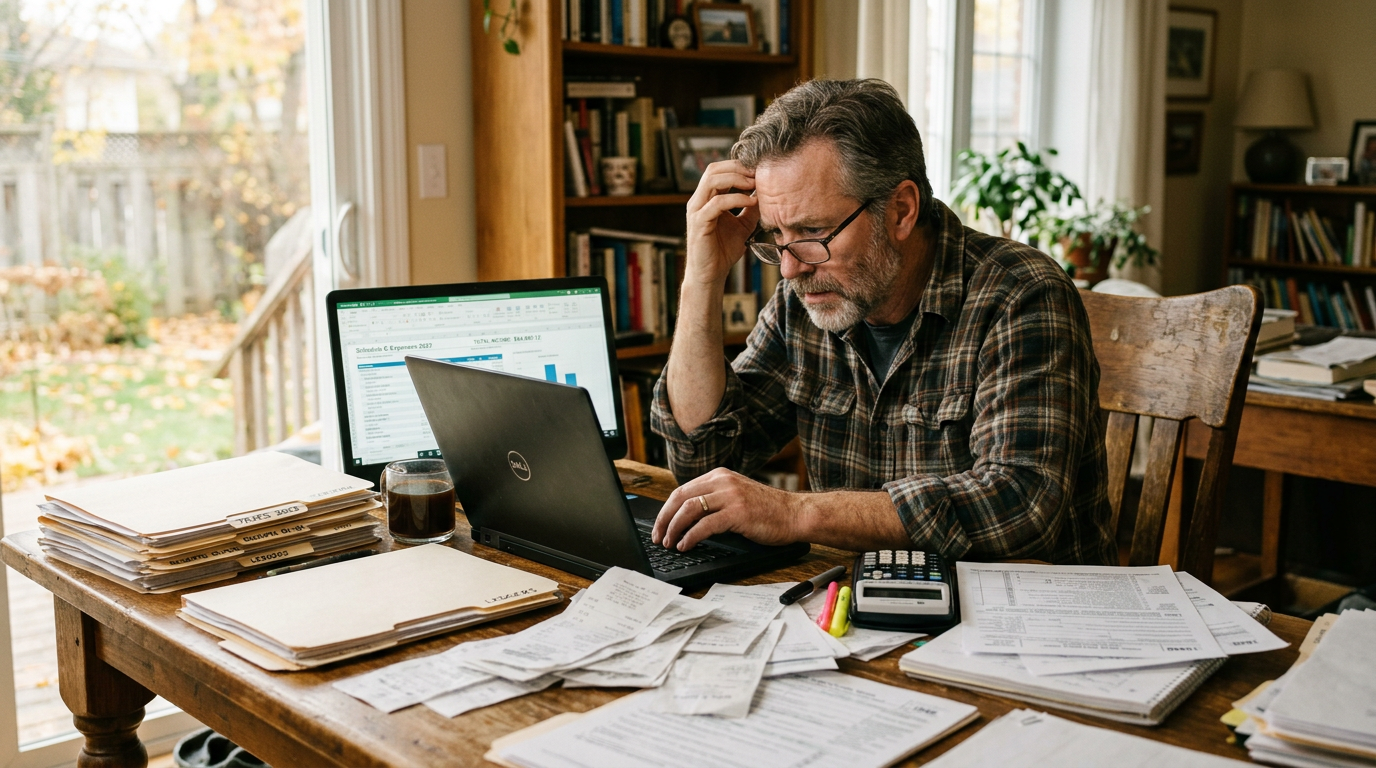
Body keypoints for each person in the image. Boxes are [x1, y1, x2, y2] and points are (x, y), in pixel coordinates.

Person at [648, 79, 1116, 565]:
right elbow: (702, 460)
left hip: (1026, 620)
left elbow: (1019, 506)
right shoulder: (804, 296)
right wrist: (703, 276)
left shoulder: (1021, 294)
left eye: (812, 231)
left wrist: (797, 513)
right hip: (866, 613)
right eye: (776, 236)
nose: (790, 268)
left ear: (901, 210)